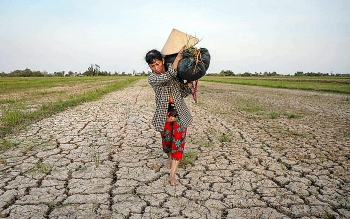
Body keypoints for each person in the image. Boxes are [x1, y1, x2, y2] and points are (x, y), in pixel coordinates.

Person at [145, 47, 193, 186]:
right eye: (152, 66)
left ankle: (172, 175)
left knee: (178, 141)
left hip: (179, 114)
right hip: (164, 115)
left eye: (157, 64)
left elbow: (182, 93)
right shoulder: (153, 78)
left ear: (163, 61)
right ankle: (169, 158)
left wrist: (189, 86)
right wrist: (177, 59)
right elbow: (167, 77)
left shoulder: (175, 74)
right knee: (167, 141)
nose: (156, 68)